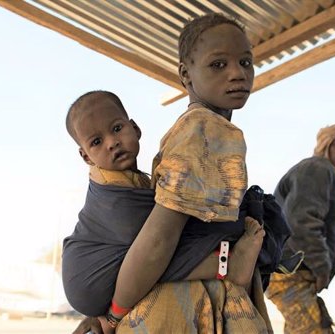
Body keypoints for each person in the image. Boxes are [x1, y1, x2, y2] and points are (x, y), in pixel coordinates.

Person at [74, 13, 275, 334]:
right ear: (186, 75)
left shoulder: (194, 127)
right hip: (186, 310)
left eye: (246, 62)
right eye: (218, 64)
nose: (238, 73)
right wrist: (112, 316)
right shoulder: (204, 129)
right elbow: (158, 239)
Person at [62, 90, 264, 317]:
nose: (112, 143)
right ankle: (225, 265)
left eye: (117, 129)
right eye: (97, 142)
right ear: (87, 157)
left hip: (98, 280)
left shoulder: (134, 180)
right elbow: (156, 242)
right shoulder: (112, 196)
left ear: (135, 129)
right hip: (90, 279)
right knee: (157, 248)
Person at [265, 122, 335, 334]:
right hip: (290, 273)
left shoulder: (325, 174)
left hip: (294, 272)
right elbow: (302, 222)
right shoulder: (318, 168)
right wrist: (322, 266)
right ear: (325, 145)